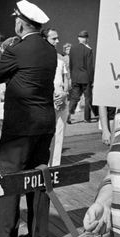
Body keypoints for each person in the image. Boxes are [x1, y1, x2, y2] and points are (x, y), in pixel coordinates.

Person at [0, 0, 56, 237]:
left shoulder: (16, 49)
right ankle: (40, 232)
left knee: (10, 179)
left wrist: (6, 58)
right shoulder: (49, 49)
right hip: (45, 122)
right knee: (39, 177)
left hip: (20, 125)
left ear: (20, 23)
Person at [43, 28, 70, 166]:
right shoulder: (39, 60)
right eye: (54, 38)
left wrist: (64, 93)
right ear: (45, 39)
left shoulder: (60, 61)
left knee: (59, 133)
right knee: (46, 135)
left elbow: (66, 80)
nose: (57, 41)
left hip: (61, 101)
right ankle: (44, 165)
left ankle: (55, 165)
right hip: (46, 102)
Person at [67, 30, 95, 124]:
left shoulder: (72, 49)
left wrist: (71, 77)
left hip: (75, 77)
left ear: (78, 38)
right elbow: (90, 67)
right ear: (86, 39)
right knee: (88, 98)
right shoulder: (88, 50)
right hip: (86, 77)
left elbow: (71, 64)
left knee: (74, 98)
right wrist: (92, 79)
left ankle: (68, 115)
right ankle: (87, 118)